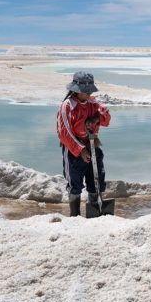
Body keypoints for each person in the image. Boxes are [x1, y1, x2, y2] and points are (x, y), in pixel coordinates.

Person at [57, 71, 111, 217]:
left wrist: (98, 117)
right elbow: (64, 133)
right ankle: (74, 216)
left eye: (89, 91)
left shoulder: (93, 103)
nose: (88, 94)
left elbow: (107, 120)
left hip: (93, 144)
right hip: (74, 150)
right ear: (75, 90)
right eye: (85, 92)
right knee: (75, 184)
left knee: (96, 180)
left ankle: (94, 213)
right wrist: (80, 150)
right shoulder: (67, 106)